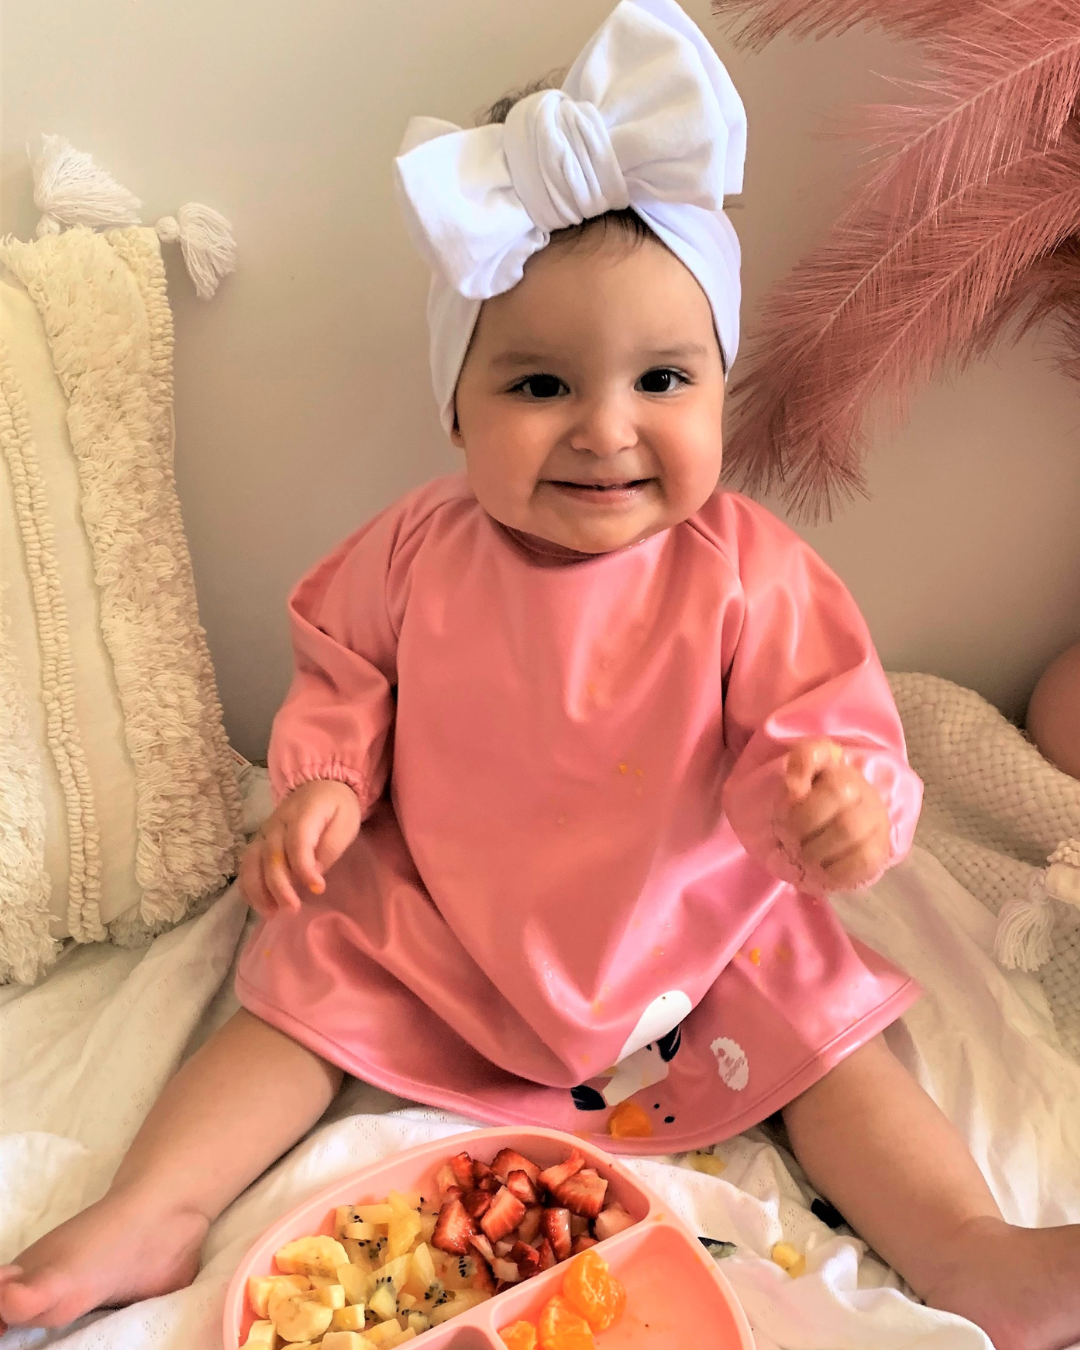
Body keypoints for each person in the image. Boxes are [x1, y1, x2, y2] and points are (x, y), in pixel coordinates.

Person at [2, 3, 1079, 1345]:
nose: (606, 431)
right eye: (539, 386)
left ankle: (967, 1247)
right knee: (303, 984)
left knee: (822, 1024)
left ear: (721, 387)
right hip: (449, 911)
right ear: (456, 406)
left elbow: (824, 726)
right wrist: (325, 786)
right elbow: (343, 667)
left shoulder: (748, 571)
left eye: (663, 379)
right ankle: (155, 1203)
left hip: (688, 926)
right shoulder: (417, 550)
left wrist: (836, 804)